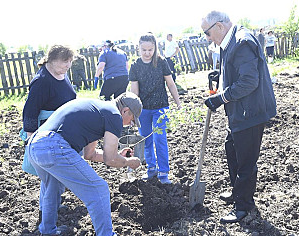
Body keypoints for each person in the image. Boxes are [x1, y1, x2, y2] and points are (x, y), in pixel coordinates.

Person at [26, 92, 142, 236]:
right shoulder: (114, 115)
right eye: (132, 119)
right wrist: (128, 162)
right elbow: (110, 159)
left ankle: (48, 231)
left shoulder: (99, 109)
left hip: (35, 145)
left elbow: (90, 154)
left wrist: (120, 157)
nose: (130, 124)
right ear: (125, 111)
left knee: (52, 186)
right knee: (99, 189)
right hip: (53, 145)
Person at [201, 11, 276, 223]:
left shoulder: (242, 42)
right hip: (240, 111)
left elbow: (249, 82)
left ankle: (243, 206)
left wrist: (221, 98)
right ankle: (238, 192)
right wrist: (222, 76)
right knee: (232, 149)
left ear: (218, 26)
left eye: (207, 33)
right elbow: (237, 72)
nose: (207, 38)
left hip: (250, 112)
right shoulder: (230, 41)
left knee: (245, 160)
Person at [21, 45, 76, 228]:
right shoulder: (42, 81)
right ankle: (46, 213)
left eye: (70, 61)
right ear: (52, 60)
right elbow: (29, 111)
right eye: (64, 61)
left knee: (56, 176)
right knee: (52, 176)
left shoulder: (63, 74)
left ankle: (50, 206)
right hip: (46, 134)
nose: (68, 64)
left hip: (62, 130)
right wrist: (31, 141)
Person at [129, 32, 182, 184]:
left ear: (155, 48)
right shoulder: (135, 66)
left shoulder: (161, 62)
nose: (147, 53)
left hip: (160, 107)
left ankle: (164, 171)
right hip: (143, 109)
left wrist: (177, 102)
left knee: (160, 139)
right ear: (138, 49)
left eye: (150, 49)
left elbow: (171, 84)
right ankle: (151, 168)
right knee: (146, 139)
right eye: (144, 50)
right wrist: (134, 112)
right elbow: (134, 92)